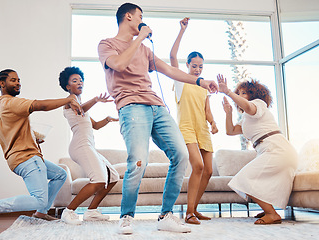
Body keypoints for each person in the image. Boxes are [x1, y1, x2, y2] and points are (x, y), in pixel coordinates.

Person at [98, 3, 218, 234]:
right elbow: (120, 64)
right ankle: (126, 217)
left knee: (181, 155)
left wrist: (201, 82)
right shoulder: (107, 44)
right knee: (139, 161)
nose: (143, 20)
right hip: (131, 106)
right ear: (128, 16)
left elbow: (169, 70)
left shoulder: (144, 50)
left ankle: (166, 215)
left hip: (157, 107)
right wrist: (141, 37)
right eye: (140, 16)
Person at [0, 69, 83, 229]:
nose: (18, 82)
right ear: (2, 84)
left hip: (19, 159)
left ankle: (40, 213)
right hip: (27, 158)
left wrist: (32, 137)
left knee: (60, 174)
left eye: (19, 79)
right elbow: (40, 105)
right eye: (13, 80)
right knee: (39, 198)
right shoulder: (11, 102)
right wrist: (68, 99)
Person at [217, 74, 298, 225]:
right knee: (256, 180)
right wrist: (228, 113)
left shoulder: (258, 104)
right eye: (238, 93)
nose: (239, 96)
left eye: (243, 93)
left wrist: (228, 92)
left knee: (244, 179)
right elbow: (231, 131)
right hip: (269, 149)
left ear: (253, 94)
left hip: (277, 148)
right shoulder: (246, 118)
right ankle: (268, 209)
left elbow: (248, 107)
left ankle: (271, 213)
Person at [170, 17, 218, 224]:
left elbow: (206, 108)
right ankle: (189, 213)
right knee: (197, 166)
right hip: (187, 129)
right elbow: (172, 56)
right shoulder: (181, 80)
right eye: (194, 66)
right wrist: (182, 30)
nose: (198, 70)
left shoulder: (203, 86)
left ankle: (194, 209)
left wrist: (214, 122)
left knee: (208, 170)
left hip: (203, 129)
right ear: (188, 65)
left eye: (201, 67)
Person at [58, 66, 120, 225]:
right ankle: (68, 211)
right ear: (67, 86)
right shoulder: (70, 101)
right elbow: (80, 110)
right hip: (79, 145)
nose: (79, 83)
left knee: (113, 177)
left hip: (89, 145)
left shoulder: (80, 105)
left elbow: (96, 126)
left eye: (80, 80)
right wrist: (96, 100)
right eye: (74, 81)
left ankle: (91, 211)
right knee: (99, 180)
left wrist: (107, 119)